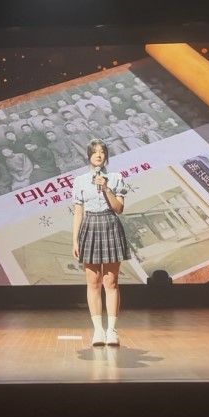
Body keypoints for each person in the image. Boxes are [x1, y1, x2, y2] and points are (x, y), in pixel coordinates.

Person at [71, 139, 131, 347]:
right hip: (89, 226)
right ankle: (98, 330)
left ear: (106, 156)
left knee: (111, 282)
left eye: (102, 152)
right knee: (93, 282)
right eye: (94, 152)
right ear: (88, 156)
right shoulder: (79, 181)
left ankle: (112, 331)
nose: (98, 155)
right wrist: (75, 240)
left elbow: (119, 208)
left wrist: (106, 188)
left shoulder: (115, 177)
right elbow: (78, 212)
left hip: (110, 224)